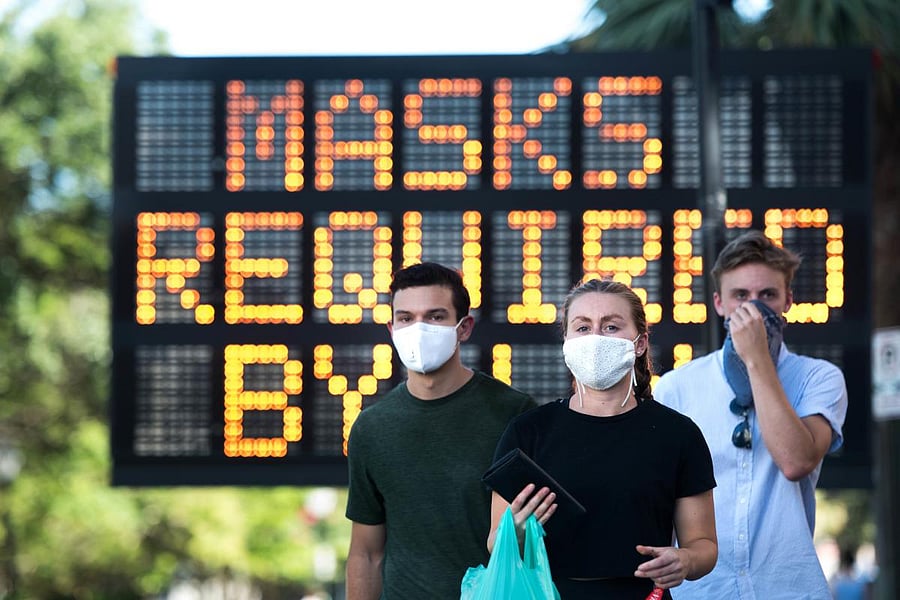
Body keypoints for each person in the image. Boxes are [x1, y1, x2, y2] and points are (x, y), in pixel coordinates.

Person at [488, 278, 718, 599]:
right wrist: (516, 533)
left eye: (611, 327)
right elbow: (495, 540)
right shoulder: (527, 432)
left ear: (639, 343)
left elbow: (704, 545)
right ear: (566, 341)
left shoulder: (677, 434)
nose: (595, 337)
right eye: (582, 328)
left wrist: (685, 560)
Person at [654, 230, 849, 599]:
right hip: (703, 589)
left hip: (787, 586)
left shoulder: (819, 377)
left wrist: (757, 359)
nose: (754, 307)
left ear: (788, 300)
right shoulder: (678, 386)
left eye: (767, 296)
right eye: (741, 296)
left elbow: (796, 461)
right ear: (719, 303)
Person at [344, 262, 537, 599]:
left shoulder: (514, 413)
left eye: (435, 317)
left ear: (464, 328)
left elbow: (530, 539)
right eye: (405, 318)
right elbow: (366, 554)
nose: (418, 328)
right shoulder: (371, 428)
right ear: (391, 328)